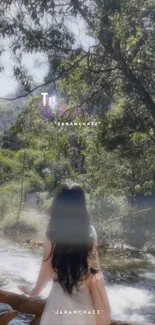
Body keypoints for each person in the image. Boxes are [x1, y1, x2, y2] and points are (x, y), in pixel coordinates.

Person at [18, 183, 111, 325]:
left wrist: (34, 291)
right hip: (84, 300)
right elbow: (96, 270)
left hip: (59, 299)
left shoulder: (52, 232)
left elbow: (47, 269)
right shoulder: (90, 231)